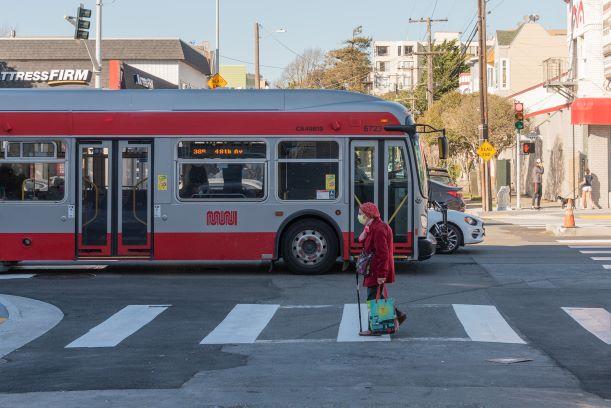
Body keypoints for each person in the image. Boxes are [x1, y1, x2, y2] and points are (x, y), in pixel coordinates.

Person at [357, 202, 406, 336]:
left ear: (368, 215)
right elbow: (366, 244)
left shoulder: (379, 229)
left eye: (361, 214)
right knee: (377, 295)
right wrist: (364, 234)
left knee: (373, 297)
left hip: (376, 269)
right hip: (373, 269)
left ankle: (374, 328)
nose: (359, 216)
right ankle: (398, 314)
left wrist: (381, 274)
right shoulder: (371, 227)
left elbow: (382, 254)